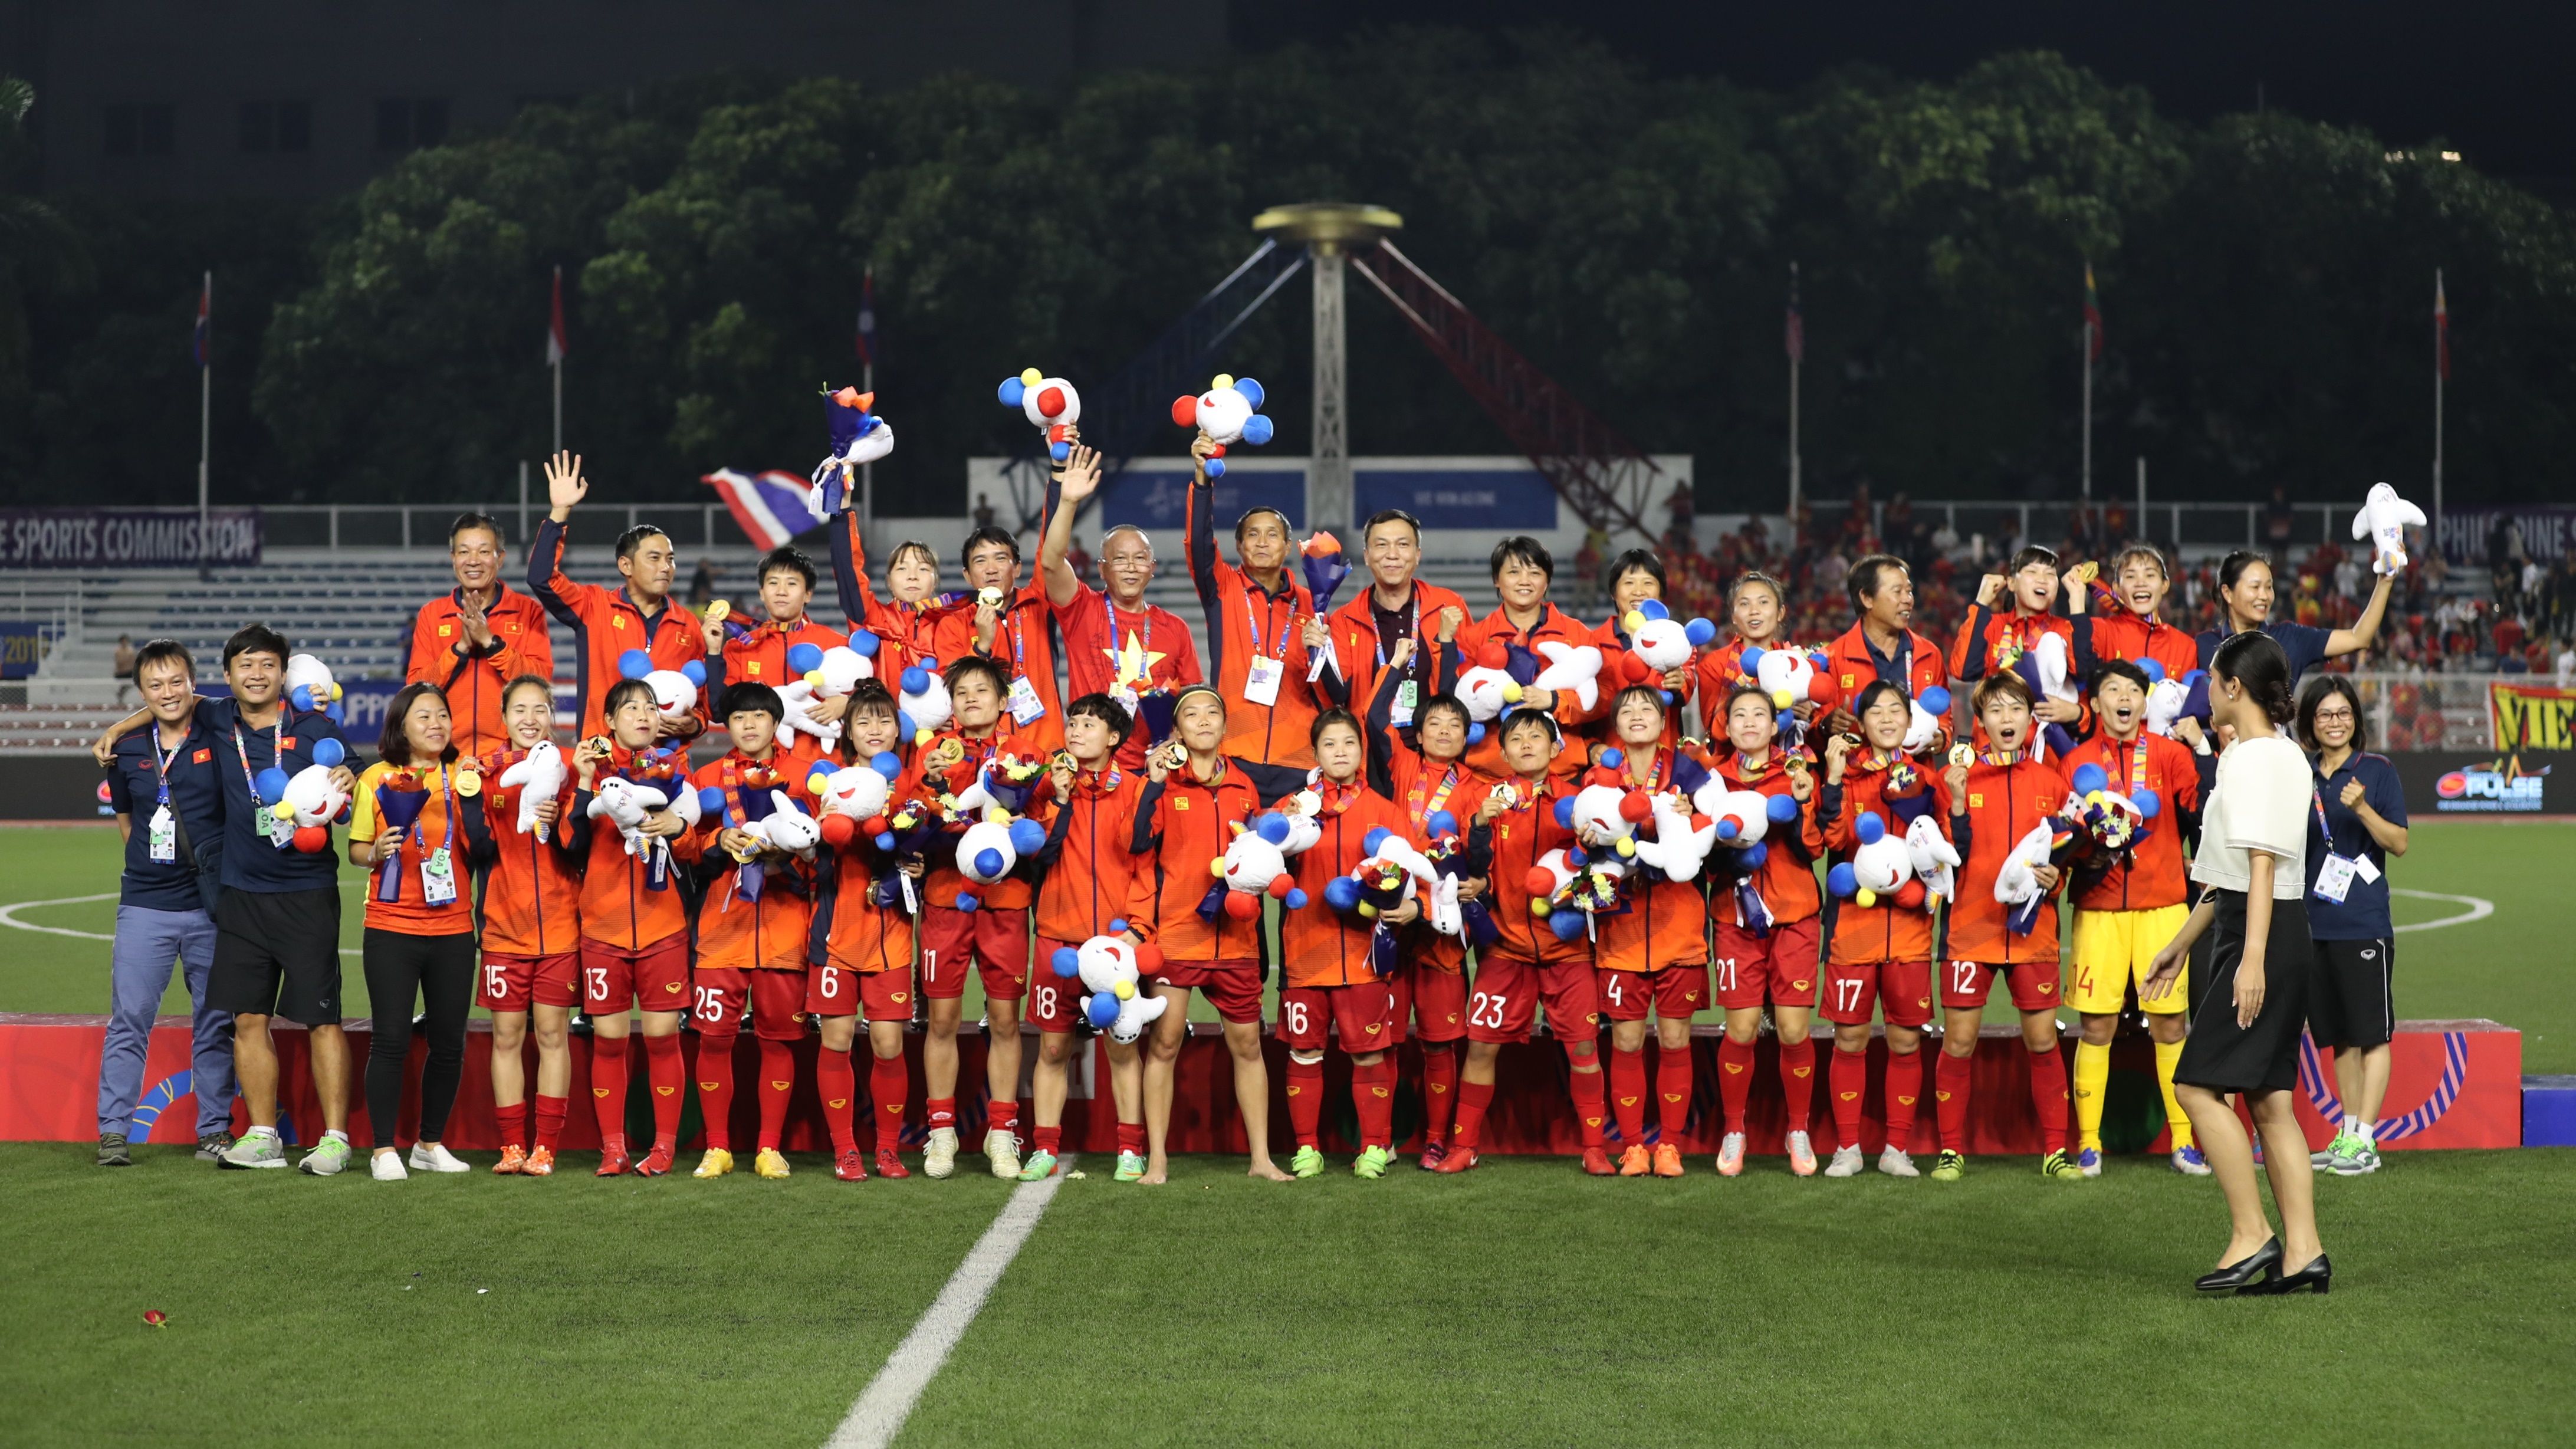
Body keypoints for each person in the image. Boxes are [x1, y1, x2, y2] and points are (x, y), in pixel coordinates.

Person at [2144, 631, 2330, 1294]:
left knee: (2196, 1086)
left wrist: (2248, 960)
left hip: (2262, 933)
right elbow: (2231, 876)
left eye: (2212, 677)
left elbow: (2260, 864)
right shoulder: (2278, 754)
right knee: (2271, 1101)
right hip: (2266, 926)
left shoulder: (2252, 758)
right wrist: (2184, 942)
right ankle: (2304, 1251)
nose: (2205, 688)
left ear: (2232, 687)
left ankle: (2253, 1236)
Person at [196, 627, 359, 1174]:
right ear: (228, 676)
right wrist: (118, 729)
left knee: (323, 1018)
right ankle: (264, 1134)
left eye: (268, 664)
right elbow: (168, 702)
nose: (257, 674)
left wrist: (350, 777)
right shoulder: (217, 721)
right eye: (246, 664)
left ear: (284, 673)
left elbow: (356, 771)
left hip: (307, 891)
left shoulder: (315, 728)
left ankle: (335, 1139)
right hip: (241, 894)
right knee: (248, 1017)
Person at [1431, 707, 1611, 1175]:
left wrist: (1593, 843)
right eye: (1517, 738)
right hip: (1506, 950)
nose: (1527, 743)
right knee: (1481, 1046)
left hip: (1568, 951)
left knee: (1584, 1049)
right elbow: (1473, 875)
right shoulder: (1486, 803)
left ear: (1556, 749)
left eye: (1537, 736)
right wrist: (1478, 826)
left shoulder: (1579, 803)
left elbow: (1606, 874)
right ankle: (1463, 1146)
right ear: (1504, 751)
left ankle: (1594, 1148)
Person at [1129, 685, 1288, 1184]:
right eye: (1191, 714)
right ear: (1178, 728)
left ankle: (1261, 1159)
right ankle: (1157, 1159)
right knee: (1166, 1042)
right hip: (1177, 935)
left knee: (1247, 1045)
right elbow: (1135, 841)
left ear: (1224, 725)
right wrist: (1153, 784)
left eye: (1212, 713)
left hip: (1237, 939)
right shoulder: (1161, 780)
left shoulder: (1245, 785)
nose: (1203, 720)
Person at [2061, 660, 2210, 1177]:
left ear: (2145, 703)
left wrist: (2210, 752)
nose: (2123, 698)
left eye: (2132, 690)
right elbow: (2062, 835)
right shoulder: (2077, 761)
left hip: (2163, 907)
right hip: (2099, 911)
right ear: (2096, 703)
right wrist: (2086, 851)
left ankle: (2185, 1142)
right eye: (2111, 690)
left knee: (2170, 1024)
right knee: (2097, 1025)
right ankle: (2088, 1143)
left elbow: (2198, 812)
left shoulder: (2170, 755)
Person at [1932, 672, 2083, 1183]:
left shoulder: (2052, 781)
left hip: (2032, 932)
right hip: (1970, 931)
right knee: (1959, 1041)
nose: (2007, 719)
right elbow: (1949, 859)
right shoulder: (1957, 779)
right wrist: (1955, 805)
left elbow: (2065, 854)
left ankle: (2055, 1151)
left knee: (2042, 1040)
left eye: (2015, 709)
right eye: (1995, 710)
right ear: (1981, 720)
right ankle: (1951, 1150)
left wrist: (2055, 876)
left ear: (2028, 717)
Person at [684, 684, 832, 1180]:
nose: (749, 725)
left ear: (776, 722)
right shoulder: (705, 778)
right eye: (740, 718)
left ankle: (770, 1147)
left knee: (778, 1040)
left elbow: (824, 854)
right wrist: (716, 838)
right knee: (714, 1041)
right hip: (722, 932)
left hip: (784, 929)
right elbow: (684, 847)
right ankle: (718, 1146)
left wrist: (790, 851)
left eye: (759, 717)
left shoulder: (803, 778)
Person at [96, 639, 234, 1167]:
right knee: (129, 1018)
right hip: (145, 906)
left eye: (177, 681)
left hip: (208, 906)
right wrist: (117, 729)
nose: (167, 692)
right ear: (142, 692)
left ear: (192, 683)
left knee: (215, 1020)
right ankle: (113, 1131)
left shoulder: (218, 733)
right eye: (155, 685)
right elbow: (127, 820)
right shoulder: (126, 750)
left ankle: (215, 1130)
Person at [346, 683, 492, 1180]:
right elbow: (356, 849)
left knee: (450, 1041)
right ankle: (384, 1148)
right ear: (401, 726)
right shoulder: (376, 778)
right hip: (392, 925)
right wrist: (378, 852)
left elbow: (483, 843)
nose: (436, 723)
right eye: (424, 716)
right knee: (390, 1039)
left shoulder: (464, 774)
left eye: (443, 715)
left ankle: (430, 1142)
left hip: (453, 925)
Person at [563, 677, 698, 1176]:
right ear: (611, 721)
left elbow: (698, 848)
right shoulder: (591, 770)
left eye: (650, 707)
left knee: (663, 1037)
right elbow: (569, 844)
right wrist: (580, 782)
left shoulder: (678, 771)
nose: (643, 715)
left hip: (663, 925)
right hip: (603, 927)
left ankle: (663, 1148)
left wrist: (678, 830)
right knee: (610, 1040)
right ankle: (613, 1147)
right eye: (631, 708)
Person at [1274, 708, 1416, 1178]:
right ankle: (1307, 1148)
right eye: (1330, 744)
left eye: (1349, 744)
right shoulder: (1292, 809)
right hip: (1305, 950)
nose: (1340, 752)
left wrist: (1413, 908)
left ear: (1361, 751)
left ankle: (1374, 1146)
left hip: (1365, 955)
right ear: (1314, 752)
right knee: (1304, 1051)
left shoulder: (1385, 811)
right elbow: (1256, 858)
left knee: (1370, 1052)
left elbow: (1413, 876)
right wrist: (1276, 824)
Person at [914, 656, 1039, 1179]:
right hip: (945, 899)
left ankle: (1002, 1134)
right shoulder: (932, 753)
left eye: (982, 690)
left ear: (1003, 699)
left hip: (1006, 903)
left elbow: (1039, 825)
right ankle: (941, 1133)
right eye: (961, 692)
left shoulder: (1025, 754)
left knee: (1006, 1020)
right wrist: (931, 787)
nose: (971, 699)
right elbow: (911, 820)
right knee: (941, 1019)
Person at [1815, 682, 1946, 1178]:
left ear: (1910, 721)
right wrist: (1831, 776)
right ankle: (1848, 1146)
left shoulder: (1928, 779)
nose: (1889, 718)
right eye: (1878, 711)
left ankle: (1896, 1148)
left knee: (1906, 1041)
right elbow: (1835, 837)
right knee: (1849, 1039)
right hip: (1856, 927)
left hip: (1911, 931)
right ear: (1862, 723)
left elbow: (1944, 848)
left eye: (1898, 710)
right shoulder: (1849, 778)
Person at [1024, 693, 1152, 1181]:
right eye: (1072, 723)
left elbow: (1147, 866)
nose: (1076, 731)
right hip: (1059, 939)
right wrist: (1058, 799)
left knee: (1122, 1049)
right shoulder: (1048, 789)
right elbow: (1040, 855)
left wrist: (1138, 929)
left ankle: (1128, 1148)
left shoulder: (1139, 791)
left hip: (1117, 946)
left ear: (1115, 737)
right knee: (1053, 1050)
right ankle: (1044, 1148)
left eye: (1089, 724)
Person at [1589, 686, 1714, 1177]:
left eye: (1647, 708)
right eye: (1627, 710)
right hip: (1620, 931)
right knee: (1625, 1040)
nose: (1637, 715)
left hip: (1678, 926)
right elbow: (1585, 832)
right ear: (1616, 726)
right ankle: (1635, 1145)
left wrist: (1695, 817)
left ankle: (1672, 1145)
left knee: (1676, 1038)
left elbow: (1723, 825)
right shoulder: (1601, 777)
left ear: (1664, 720)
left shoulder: (1688, 769)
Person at [1363, 686, 1490, 1169]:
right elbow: (1375, 718)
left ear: (1467, 736)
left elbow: (1482, 849)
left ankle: (1437, 1138)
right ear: (1418, 732)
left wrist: (1481, 877)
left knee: (1439, 1040)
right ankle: (1383, 1138)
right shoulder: (1402, 763)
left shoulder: (1476, 785)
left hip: (1442, 926)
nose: (1443, 731)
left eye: (1454, 725)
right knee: (1388, 1040)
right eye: (1434, 723)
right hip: (1394, 915)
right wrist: (1396, 665)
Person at [1704, 683, 1825, 1175]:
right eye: (1740, 716)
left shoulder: (1798, 773)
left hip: (1795, 913)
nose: (1750, 723)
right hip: (1735, 918)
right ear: (1727, 728)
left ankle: (1798, 1129)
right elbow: (1703, 862)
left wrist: (1802, 806)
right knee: (1743, 1028)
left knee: (1795, 1030)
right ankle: (1735, 1130)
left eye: (1760, 715)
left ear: (1775, 725)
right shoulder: (1711, 782)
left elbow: (1813, 849)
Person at [2297, 674, 2409, 1177]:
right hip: (2315, 921)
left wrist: (2362, 807)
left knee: (2372, 1035)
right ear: (2311, 723)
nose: (2335, 722)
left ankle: (2366, 1139)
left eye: (2343, 714)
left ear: (2356, 721)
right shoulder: (2303, 775)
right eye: (2325, 715)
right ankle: (2346, 1133)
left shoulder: (2378, 772)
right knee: (2339, 1035)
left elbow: (2399, 844)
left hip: (2363, 922)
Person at [810, 679, 922, 1180]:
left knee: (888, 1045)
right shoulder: (832, 786)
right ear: (848, 733)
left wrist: (917, 862)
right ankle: (844, 1149)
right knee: (835, 1040)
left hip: (892, 935)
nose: (874, 728)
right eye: (864, 720)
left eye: (883, 719)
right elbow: (812, 852)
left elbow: (928, 846)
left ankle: (888, 1148)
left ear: (899, 729)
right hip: (836, 933)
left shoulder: (912, 790)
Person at [1184, 435, 1333, 799]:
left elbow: (1327, 685)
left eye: (1273, 535)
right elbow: (1199, 543)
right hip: (1235, 754)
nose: (1263, 542)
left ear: (1287, 547)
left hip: (1297, 760)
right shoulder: (1222, 590)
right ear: (1239, 546)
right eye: (1253, 535)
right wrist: (1203, 481)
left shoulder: (1313, 603)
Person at [1041, 444, 1202, 773]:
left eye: (1140, 558)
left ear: (1152, 567)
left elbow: (1191, 700)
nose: (1131, 567)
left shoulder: (1175, 628)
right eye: (1119, 559)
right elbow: (1051, 562)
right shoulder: (1082, 610)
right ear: (1102, 569)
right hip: (1091, 766)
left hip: (1153, 768)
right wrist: (1069, 502)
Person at [477, 674, 583, 1176]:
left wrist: (564, 811)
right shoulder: (484, 774)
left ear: (551, 716)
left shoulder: (569, 772)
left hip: (562, 924)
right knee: (506, 1035)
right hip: (504, 926)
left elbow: (581, 840)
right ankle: (511, 1146)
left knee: (552, 1034)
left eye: (539, 709)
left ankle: (546, 1147)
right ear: (504, 718)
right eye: (519, 709)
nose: (529, 718)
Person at [530, 452, 706, 740]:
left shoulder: (688, 624)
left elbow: (702, 700)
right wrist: (559, 512)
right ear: (626, 565)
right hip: (603, 764)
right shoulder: (594, 606)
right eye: (654, 558)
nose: (666, 567)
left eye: (670, 559)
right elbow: (541, 578)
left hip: (667, 768)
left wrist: (695, 724)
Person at [406, 512, 553, 758]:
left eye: (484, 552)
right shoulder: (432, 615)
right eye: (464, 552)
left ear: (500, 559)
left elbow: (541, 681)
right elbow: (415, 690)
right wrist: (459, 649)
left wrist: (490, 643)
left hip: (511, 757)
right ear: (453, 559)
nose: (473, 560)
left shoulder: (528, 611)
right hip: (448, 757)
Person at [1455, 536, 1601, 777]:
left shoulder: (1577, 634)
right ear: (1496, 581)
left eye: (1534, 573)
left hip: (1562, 775)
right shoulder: (1474, 638)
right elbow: (1462, 705)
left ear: (1547, 581)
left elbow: (1601, 701)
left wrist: (1554, 700)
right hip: (1491, 777)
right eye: (1513, 572)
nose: (1524, 581)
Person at [1325, 507, 1470, 747]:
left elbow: (1465, 685)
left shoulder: (1449, 606)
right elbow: (1339, 696)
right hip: (1372, 756)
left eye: (1403, 545)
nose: (1392, 555)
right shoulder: (1345, 619)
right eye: (1381, 545)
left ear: (1418, 554)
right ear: (1367, 556)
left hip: (1437, 753)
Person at [938, 523, 1066, 755]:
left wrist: (1062, 493)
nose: (991, 569)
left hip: (1047, 750)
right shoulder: (953, 625)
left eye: (1000, 559)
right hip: (985, 756)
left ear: (1017, 568)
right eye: (980, 561)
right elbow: (954, 690)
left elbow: (1050, 547)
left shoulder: (1039, 603)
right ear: (967, 575)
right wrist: (982, 645)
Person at [701, 544, 845, 740]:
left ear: (808, 594)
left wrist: (848, 703)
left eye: (792, 584)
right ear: (762, 592)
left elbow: (871, 697)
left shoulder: (835, 644)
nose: (781, 591)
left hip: (820, 762)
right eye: (773, 583)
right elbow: (718, 713)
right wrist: (714, 652)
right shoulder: (739, 649)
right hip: (761, 764)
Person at [1948, 546, 2086, 750]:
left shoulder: (2066, 630)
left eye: (2050, 574)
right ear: (2011, 583)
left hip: (2048, 754)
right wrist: (1981, 603)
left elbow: (2084, 680)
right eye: (2032, 572)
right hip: (1993, 753)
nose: (2042, 579)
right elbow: (1964, 670)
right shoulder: (1990, 625)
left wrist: (2078, 714)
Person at [2198, 548, 2393, 688]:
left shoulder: (2290, 638)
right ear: (2227, 592)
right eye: (2255, 587)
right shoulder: (2201, 646)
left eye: (2269, 587)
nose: (2265, 596)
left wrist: (2385, 581)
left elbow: (2358, 638)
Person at [827, 503, 958, 688]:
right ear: (889, 581)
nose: (912, 576)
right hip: (880, 716)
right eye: (902, 568)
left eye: (923, 569)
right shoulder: (873, 617)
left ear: (935, 581)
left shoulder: (950, 625)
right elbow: (848, 571)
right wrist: (842, 510)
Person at [1819, 554, 1949, 738]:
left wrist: (1942, 734)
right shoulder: (1833, 657)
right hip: (1856, 766)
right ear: (1867, 598)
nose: (1908, 599)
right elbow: (1815, 723)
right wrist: (1826, 725)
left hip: (1916, 767)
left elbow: (1944, 716)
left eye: (1909, 591)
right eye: (1898, 592)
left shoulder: (1929, 653)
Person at [1591, 549, 1692, 753]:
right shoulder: (1592, 644)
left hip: (1663, 759)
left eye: (1648, 583)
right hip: (1610, 761)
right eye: (1629, 583)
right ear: (1613, 592)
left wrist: (1680, 683)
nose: (1639, 591)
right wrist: (1591, 748)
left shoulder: (1678, 640)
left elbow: (1688, 683)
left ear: (1661, 593)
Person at [2071, 543, 2200, 688]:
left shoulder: (2186, 647)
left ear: (2165, 585)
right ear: (2117, 588)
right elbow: (2078, 670)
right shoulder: (2100, 631)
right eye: (2131, 576)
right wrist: (2076, 597)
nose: (2141, 583)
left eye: (2150, 575)